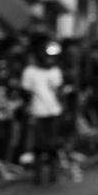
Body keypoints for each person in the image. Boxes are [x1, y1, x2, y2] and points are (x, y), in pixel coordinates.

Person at [20, 38, 66, 186]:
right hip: (37, 111)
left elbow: (58, 90)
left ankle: (53, 171)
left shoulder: (55, 71)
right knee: (38, 144)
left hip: (53, 111)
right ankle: (37, 172)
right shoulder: (30, 71)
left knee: (53, 143)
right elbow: (25, 91)